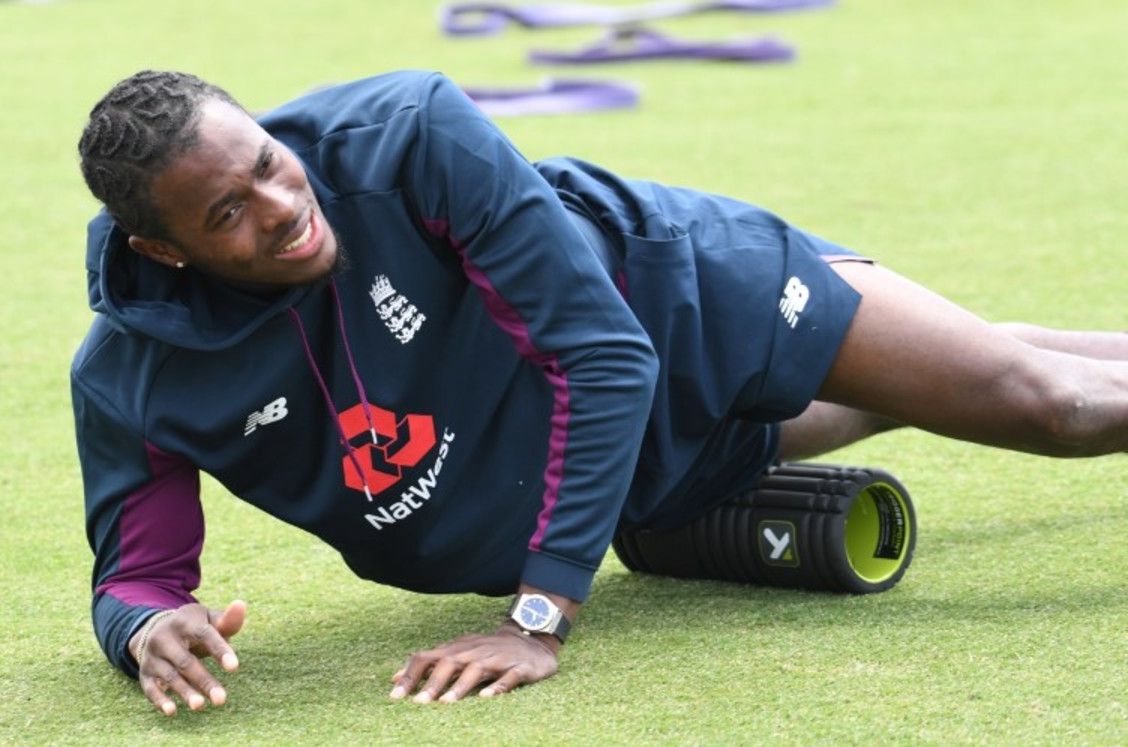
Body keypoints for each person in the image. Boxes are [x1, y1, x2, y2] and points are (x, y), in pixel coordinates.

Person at [73, 68, 1128, 716]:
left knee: (1054, 408)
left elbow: (605, 356)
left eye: (268, 160)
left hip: (685, 303)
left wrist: (537, 618)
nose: (281, 206)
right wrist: (145, 630)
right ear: (163, 250)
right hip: (632, 469)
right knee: (966, 379)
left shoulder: (406, 134)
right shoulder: (129, 382)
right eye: (227, 214)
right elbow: (138, 577)